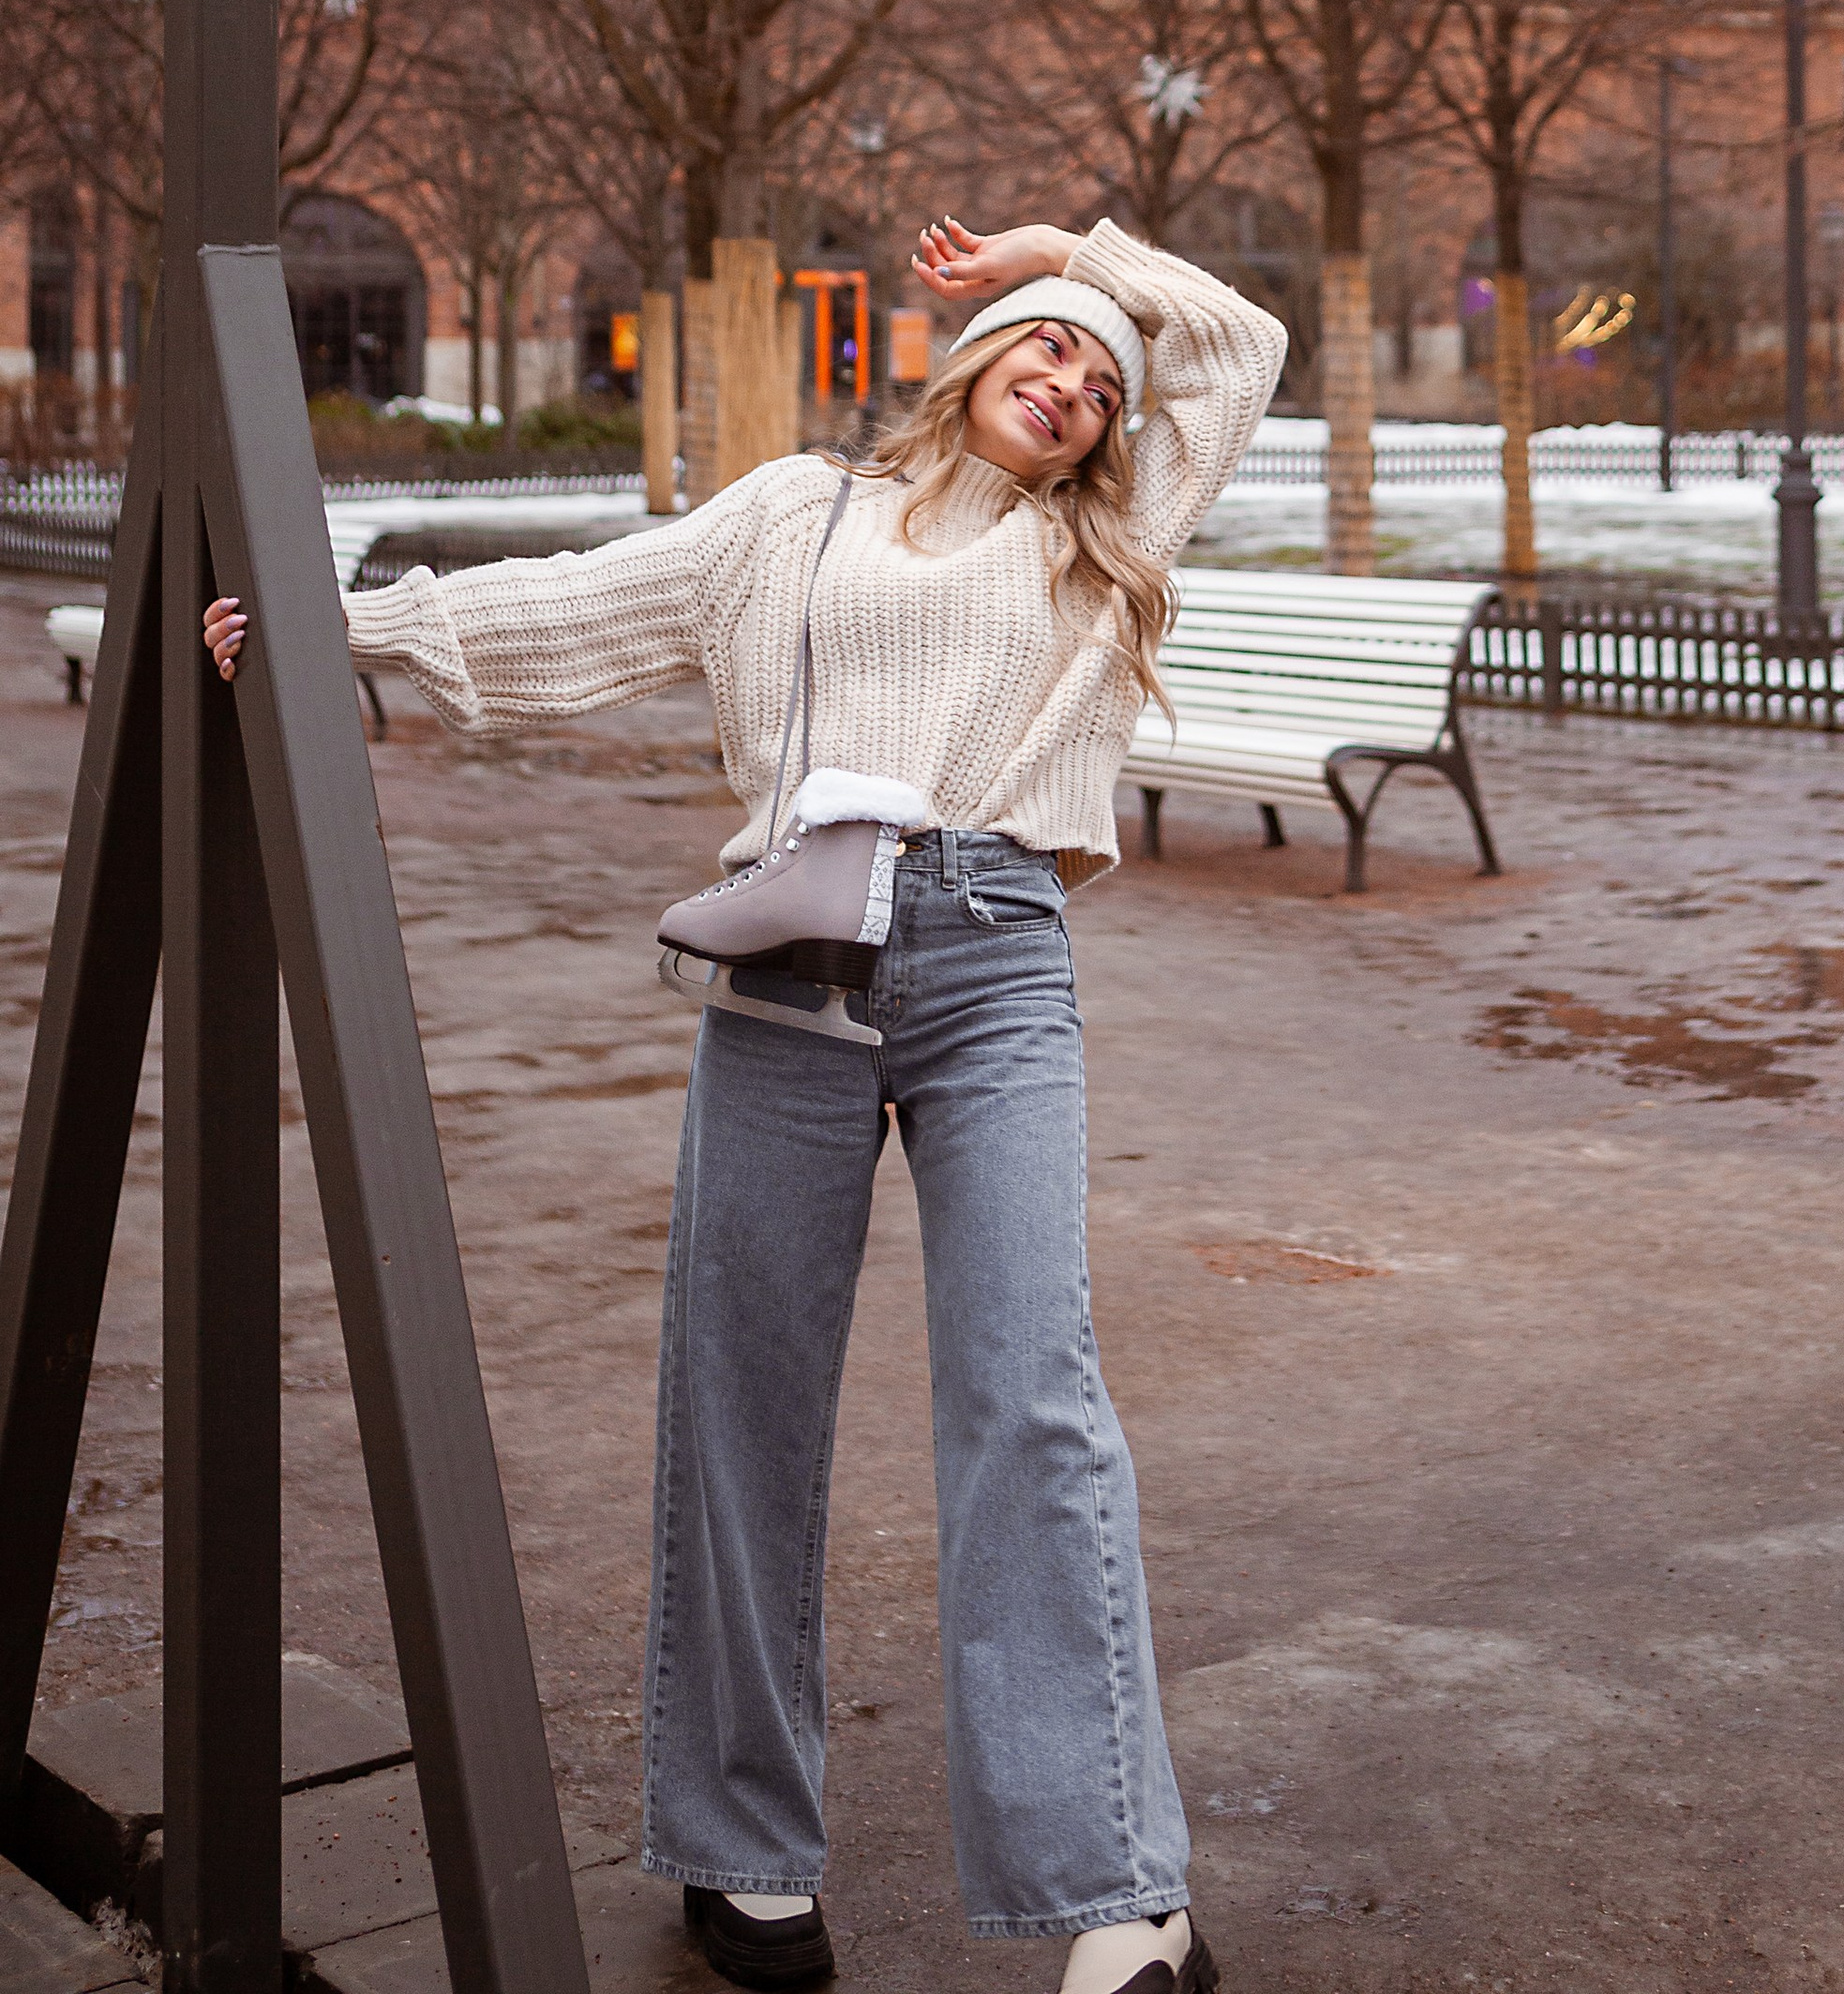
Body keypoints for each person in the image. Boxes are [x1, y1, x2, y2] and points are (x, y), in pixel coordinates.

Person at [204, 213, 1287, 1994]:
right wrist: (349, 630)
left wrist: (1057, 244)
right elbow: (593, 601)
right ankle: (738, 1851)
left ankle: (1119, 1897)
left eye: (1101, 380)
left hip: (996, 958)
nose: (1078, 383)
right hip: (791, 972)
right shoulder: (801, 513)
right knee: (743, 1398)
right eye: (1047, 343)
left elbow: (1233, 343)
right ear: (975, 355)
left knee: (1032, 1399)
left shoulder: (1105, 543)